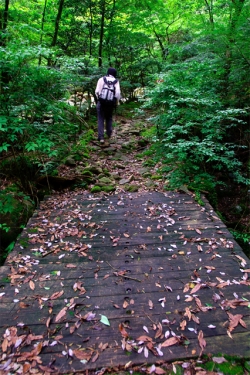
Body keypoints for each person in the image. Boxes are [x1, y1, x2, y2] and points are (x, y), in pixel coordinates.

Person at [95, 67, 121, 143]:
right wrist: (116, 102)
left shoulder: (101, 79)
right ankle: (109, 134)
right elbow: (118, 93)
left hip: (101, 102)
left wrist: (99, 99)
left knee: (100, 118)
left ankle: (101, 137)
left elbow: (97, 91)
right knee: (109, 117)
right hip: (110, 104)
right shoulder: (116, 81)